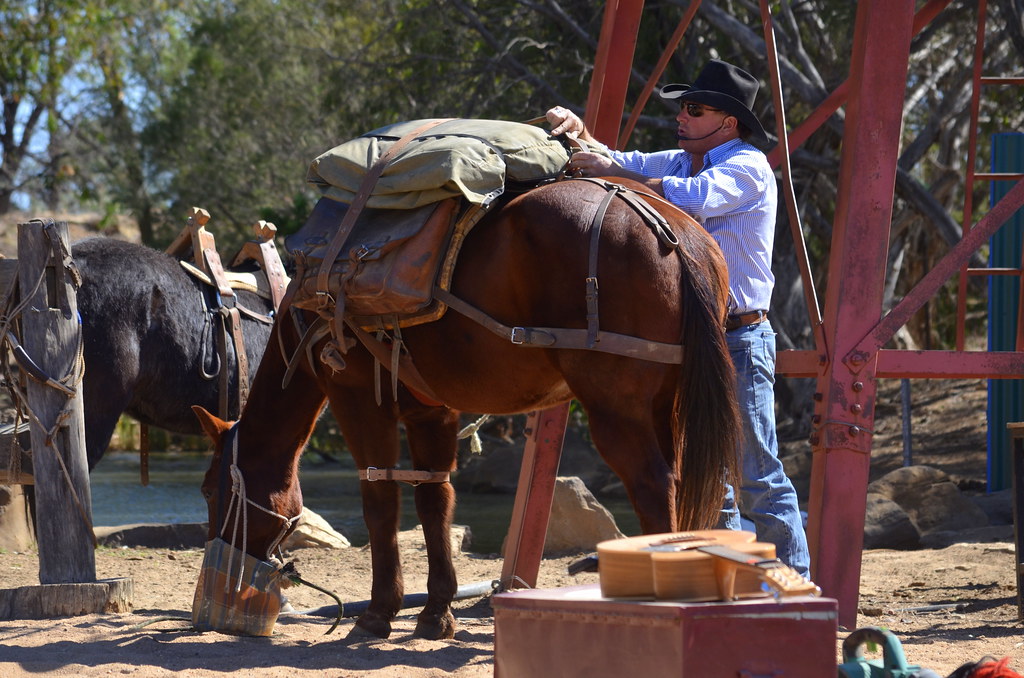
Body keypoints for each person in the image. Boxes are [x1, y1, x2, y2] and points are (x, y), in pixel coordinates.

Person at [546, 58, 811, 578]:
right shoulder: (688, 158)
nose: (681, 116)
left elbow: (697, 198)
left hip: (738, 337)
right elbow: (623, 159)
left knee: (756, 470)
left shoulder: (748, 165)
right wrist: (582, 139)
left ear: (727, 122)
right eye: (683, 108)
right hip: (702, 340)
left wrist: (614, 171)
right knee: (709, 474)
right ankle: (734, 582)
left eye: (694, 109)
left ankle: (799, 585)